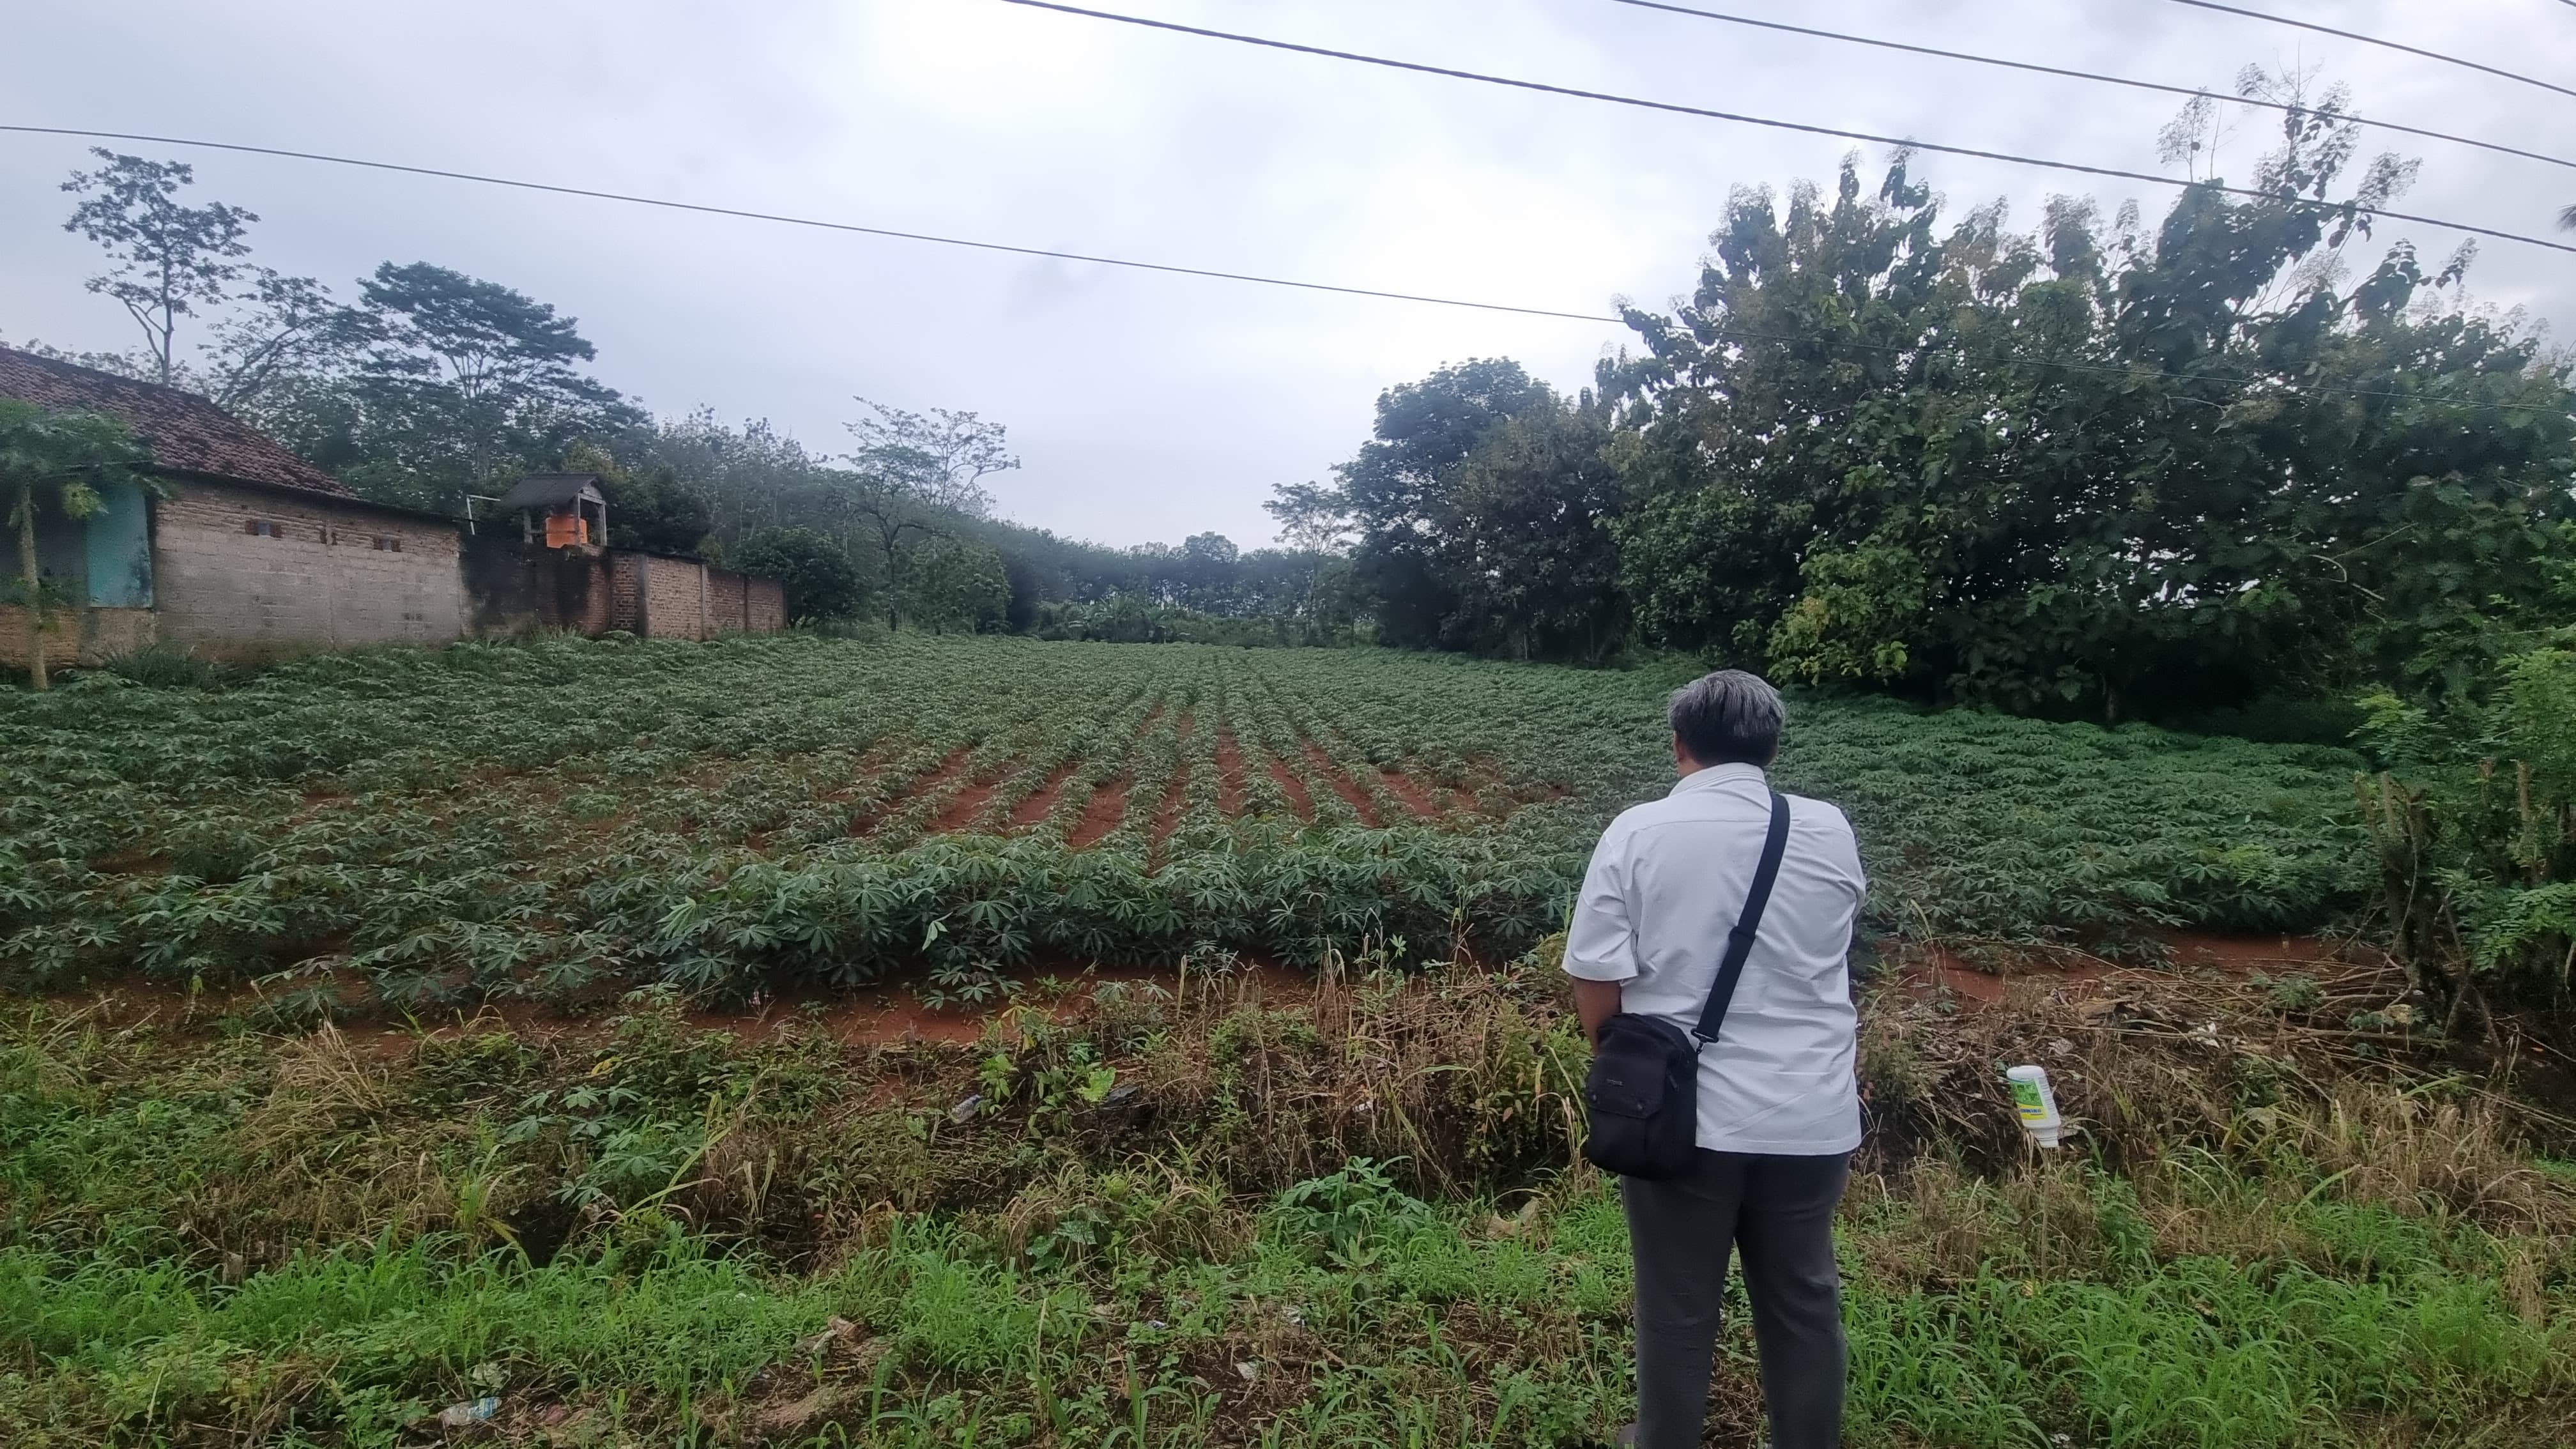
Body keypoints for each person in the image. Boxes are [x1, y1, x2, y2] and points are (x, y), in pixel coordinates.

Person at [1562, 669, 1866, 1449]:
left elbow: (1596, 973)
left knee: (1677, 1304)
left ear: (1678, 744)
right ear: (1771, 744)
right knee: (1803, 1298)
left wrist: (1628, 1076)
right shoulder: (1828, 827)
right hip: (1812, 1110)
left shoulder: (1639, 830)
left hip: (1684, 1118)